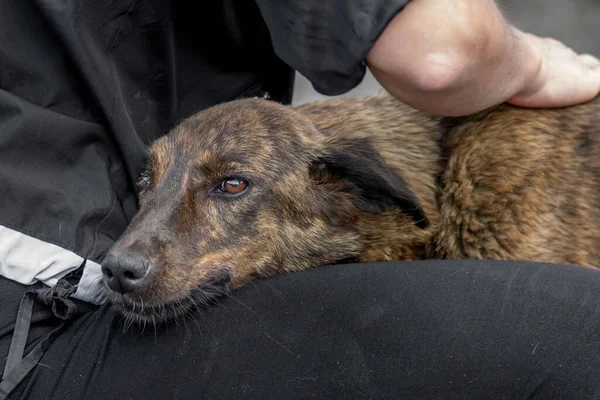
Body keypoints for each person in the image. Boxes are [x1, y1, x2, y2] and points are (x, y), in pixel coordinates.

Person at [1, 0, 600, 399]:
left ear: (354, 189)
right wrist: (538, 61)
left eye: (230, 186)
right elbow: (442, 52)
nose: (130, 251)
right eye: (150, 184)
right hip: (37, 332)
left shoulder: (521, 180)